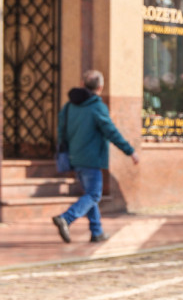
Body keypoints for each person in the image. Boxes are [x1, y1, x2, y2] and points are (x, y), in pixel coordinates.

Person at [51, 70, 140, 243]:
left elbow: (60, 130)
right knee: (93, 195)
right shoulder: (96, 106)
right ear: (100, 87)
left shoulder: (69, 106)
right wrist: (130, 151)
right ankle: (66, 218)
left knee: (90, 195)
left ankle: (97, 231)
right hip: (91, 159)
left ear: (83, 84)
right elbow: (111, 132)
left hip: (75, 158)